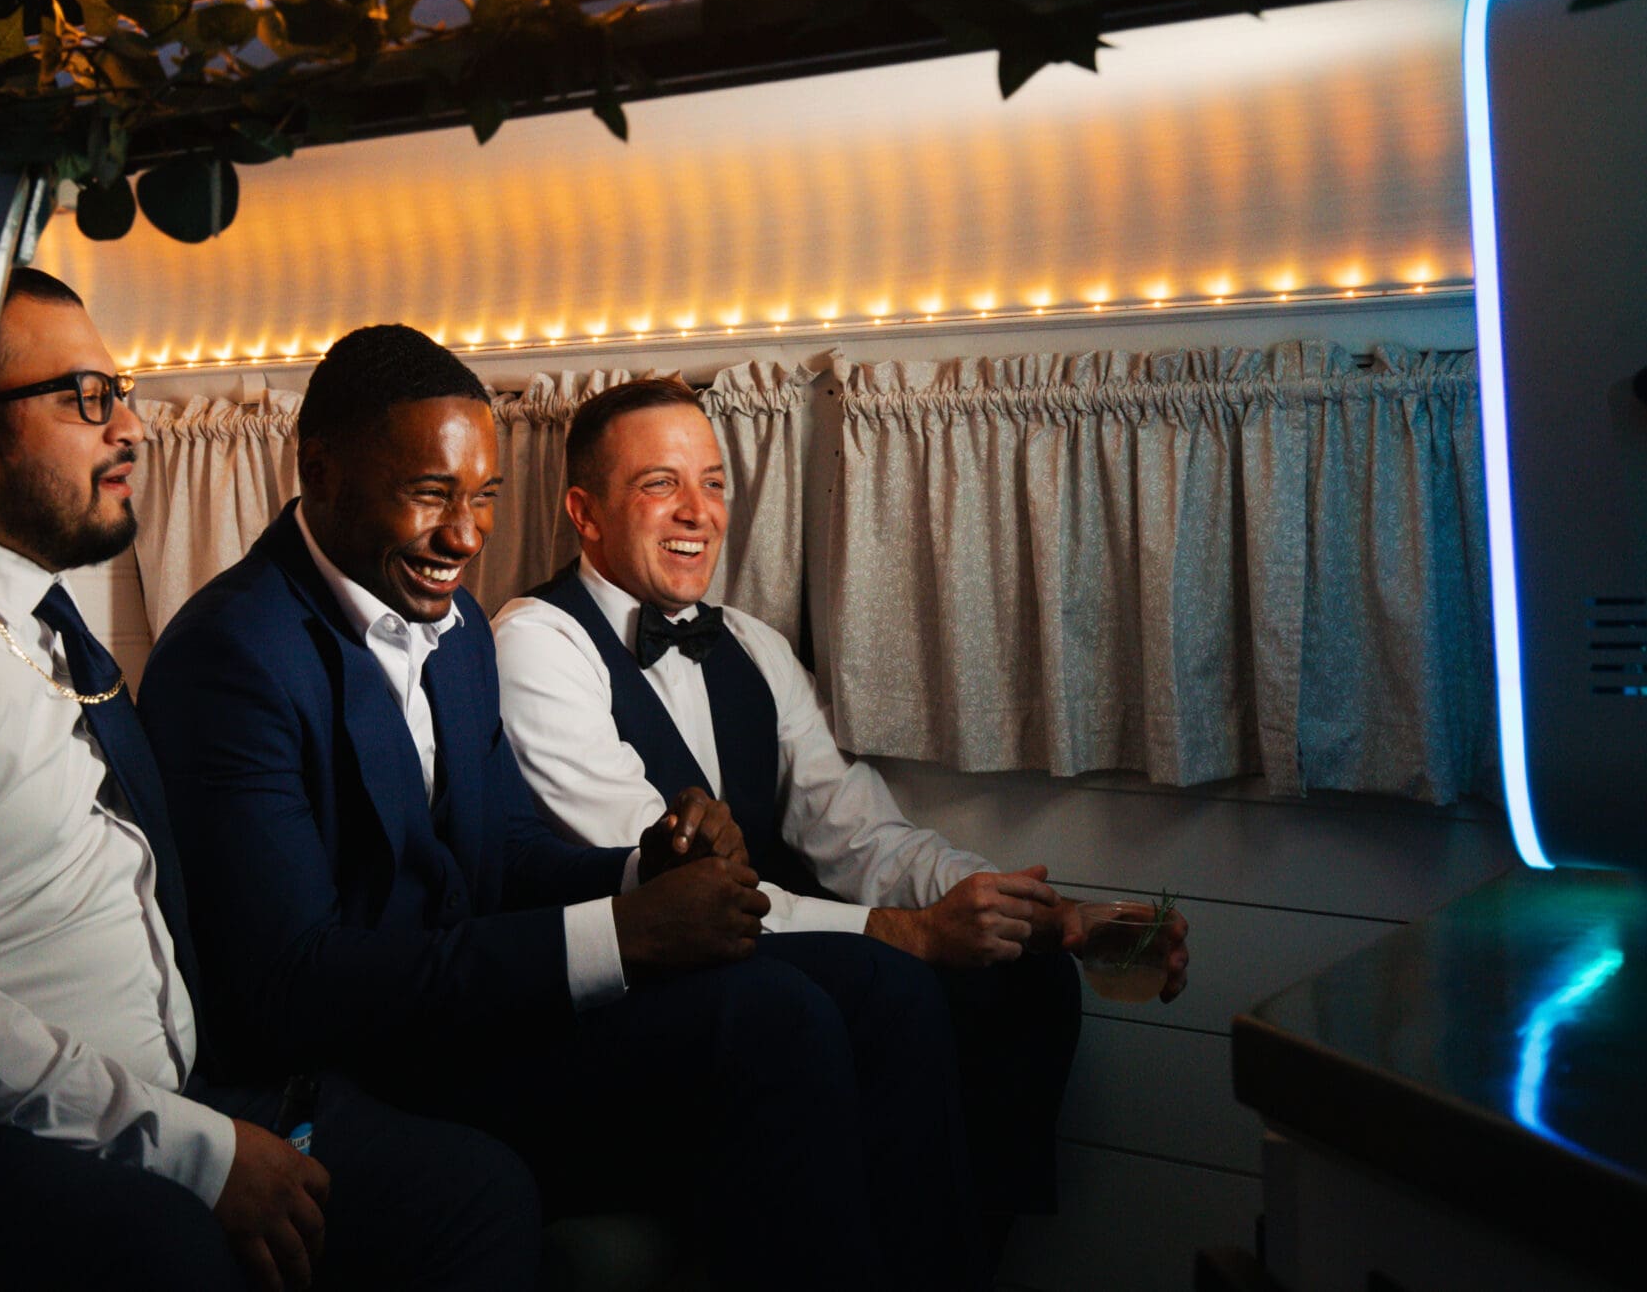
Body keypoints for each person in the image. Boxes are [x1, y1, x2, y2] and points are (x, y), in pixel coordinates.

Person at [138, 325, 974, 1292]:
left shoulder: (452, 635)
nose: (465, 535)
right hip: (364, 1070)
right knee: (770, 1019)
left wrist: (644, 867)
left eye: (484, 496)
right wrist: (622, 935)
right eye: (430, 494)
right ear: (318, 471)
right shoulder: (233, 655)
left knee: (873, 988)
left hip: (474, 1014)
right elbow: (297, 981)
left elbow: (502, 852)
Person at [0, 271, 538, 1292]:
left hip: (191, 1086)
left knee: (472, 1192)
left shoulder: (50, 631)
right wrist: (199, 1149)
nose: (133, 430)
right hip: (24, 1137)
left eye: (124, 392)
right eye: (85, 399)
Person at [492, 376, 1194, 1280]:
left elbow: (862, 835)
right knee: (884, 981)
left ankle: (961, 1260)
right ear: (585, 514)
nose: (697, 511)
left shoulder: (752, 644)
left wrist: (1050, 914)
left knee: (1029, 981)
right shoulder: (536, 644)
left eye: (713, 482)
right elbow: (685, 898)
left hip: (757, 948)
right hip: (642, 989)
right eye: (659, 484)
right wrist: (903, 934)